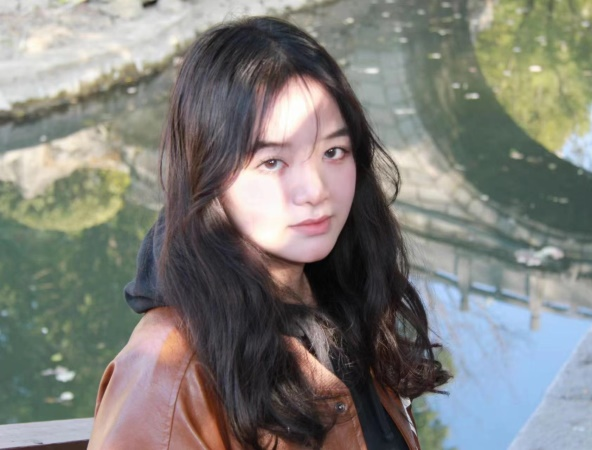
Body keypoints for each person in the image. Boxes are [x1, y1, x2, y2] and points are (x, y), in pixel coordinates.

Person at [88, 16, 450, 450]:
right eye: (272, 162)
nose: (315, 191)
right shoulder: (166, 373)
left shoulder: (348, 301)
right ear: (207, 172)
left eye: (333, 151)